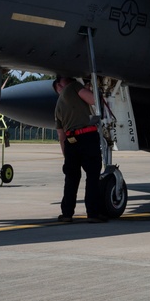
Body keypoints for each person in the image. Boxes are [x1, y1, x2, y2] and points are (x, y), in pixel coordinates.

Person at [53, 76, 106, 223]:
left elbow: (61, 136)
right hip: (87, 137)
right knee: (92, 176)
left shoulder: (57, 107)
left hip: (71, 142)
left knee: (71, 179)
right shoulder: (74, 86)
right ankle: (93, 213)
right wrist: (93, 90)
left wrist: (66, 157)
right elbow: (93, 100)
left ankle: (67, 214)